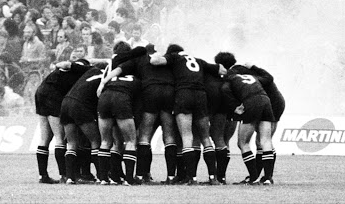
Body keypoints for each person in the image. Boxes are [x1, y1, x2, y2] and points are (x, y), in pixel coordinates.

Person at [150, 44, 226, 185]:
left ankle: (192, 178)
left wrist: (157, 55)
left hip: (184, 93)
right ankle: (213, 178)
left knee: (186, 136)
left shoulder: (174, 57)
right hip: (201, 95)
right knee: (205, 137)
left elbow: (154, 61)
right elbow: (222, 70)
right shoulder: (198, 60)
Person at [215, 51, 275, 185]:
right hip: (265, 100)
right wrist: (254, 67)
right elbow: (268, 78)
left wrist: (234, 107)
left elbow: (224, 89)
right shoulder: (250, 75)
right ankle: (268, 178)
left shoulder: (229, 76)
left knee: (242, 143)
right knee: (265, 140)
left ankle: (253, 178)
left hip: (251, 102)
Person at [34, 58, 93, 184]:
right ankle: (64, 175)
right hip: (53, 95)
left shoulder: (65, 72)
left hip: (41, 91)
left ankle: (43, 175)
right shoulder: (82, 70)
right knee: (60, 138)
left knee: (45, 138)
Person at [95, 42, 146, 185]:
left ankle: (104, 178)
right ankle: (129, 178)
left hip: (105, 97)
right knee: (130, 141)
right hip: (122, 99)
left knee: (106, 141)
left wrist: (103, 83)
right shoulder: (135, 74)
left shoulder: (110, 69)